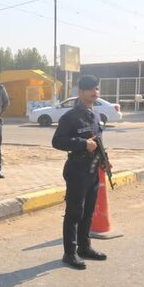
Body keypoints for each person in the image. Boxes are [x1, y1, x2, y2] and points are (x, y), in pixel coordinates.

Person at [51, 75, 111, 270]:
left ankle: (85, 247)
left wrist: (105, 161)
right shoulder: (70, 117)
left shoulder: (95, 115)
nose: (95, 92)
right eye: (91, 89)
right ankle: (70, 253)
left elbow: (99, 141)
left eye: (97, 89)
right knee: (74, 212)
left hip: (93, 170)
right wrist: (83, 144)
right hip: (77, 170)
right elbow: (57, 141)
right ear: (81, 92)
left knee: (88, 212)